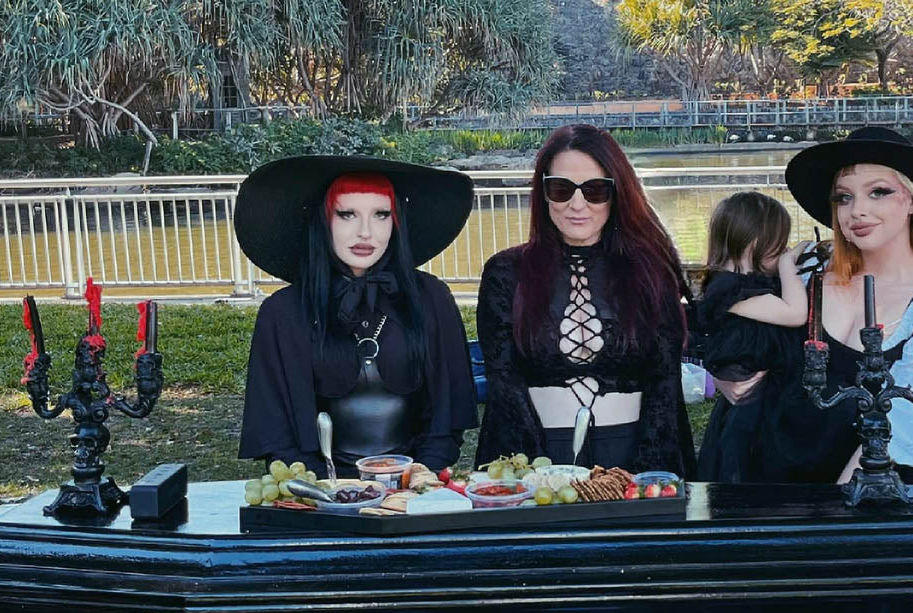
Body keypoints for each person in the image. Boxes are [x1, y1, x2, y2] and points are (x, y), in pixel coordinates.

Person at [719, 125, 913, 485]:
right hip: (777, 475)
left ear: (911, 200)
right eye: (843, 198)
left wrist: (847, 499)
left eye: (878, 192)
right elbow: (732, 326)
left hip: (886, 490)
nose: (857, 211)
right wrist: (723, 371)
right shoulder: (805, 274)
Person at [234, 156, 479, 477]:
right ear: (323, 220)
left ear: (397, 222)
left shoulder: (432, 299)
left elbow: (446, 417)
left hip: (415, 488)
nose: (366, 232)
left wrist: (419, 478)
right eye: (347, 214)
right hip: (320, 493)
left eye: (381, 215)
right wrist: (331, 492)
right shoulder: (282, 313)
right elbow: (277, 433)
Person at [475, 124, 695, 475]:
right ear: (544, 192)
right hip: (537, 461)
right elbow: (505, 385)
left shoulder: (651, 271)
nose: (577, 205)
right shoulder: (506, 272)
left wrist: (646, 475)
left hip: (632, 457)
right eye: (561, 189)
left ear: (616, 194)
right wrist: (529, 473)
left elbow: (663, 389)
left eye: (595, 190)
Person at [693, 191, 810, 482]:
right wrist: (787, 268)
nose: (784, 250)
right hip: (752, 413)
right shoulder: (731, 290)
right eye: (779, 243)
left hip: (770, 400)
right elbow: (796, 314)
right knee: (749, 480)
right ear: (755, 242)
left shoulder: (754, 285)